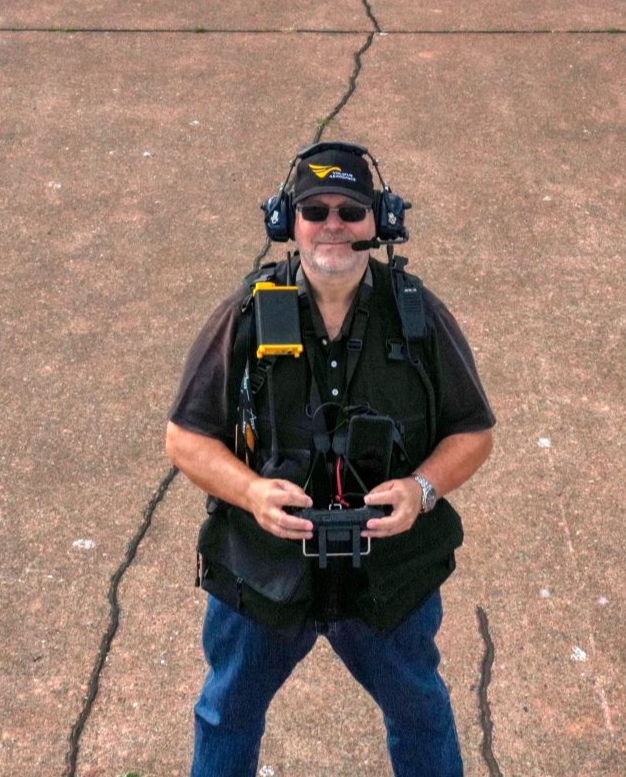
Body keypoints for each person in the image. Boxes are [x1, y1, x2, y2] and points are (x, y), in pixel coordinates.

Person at [166, 141, 495, 777]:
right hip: (266, 572)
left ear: (382, 220)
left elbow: (474, 432)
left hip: (388, 575)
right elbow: (185, 438)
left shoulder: (418, 314)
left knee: (422, 717)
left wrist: (422, 489)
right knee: (227, 715)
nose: (333, 225)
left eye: (350, 209)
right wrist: (252, 493)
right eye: (314, 210)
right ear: (287, 222)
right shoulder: (245, 315)